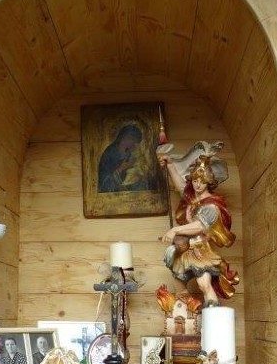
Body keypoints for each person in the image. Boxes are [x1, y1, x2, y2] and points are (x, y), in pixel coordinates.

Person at [158, 151, 239, 306]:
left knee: (204, 284)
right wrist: (170, 165)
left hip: (201, 250)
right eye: (195, 180)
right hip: (186, 248)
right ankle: (186, 311)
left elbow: (199, 226)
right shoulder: (193, 197)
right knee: (178, 279)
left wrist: (175, 230)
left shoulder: (212, 205)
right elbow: (181, 186)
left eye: (202, 181)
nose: (197, 185)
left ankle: (213, 313)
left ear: (209, 182)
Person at [98, 123, 153, 192]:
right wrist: (121, 168)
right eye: (133, 141)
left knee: (142, 184)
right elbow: (104, 184)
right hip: (112, 191)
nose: (135, 145)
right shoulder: (109, 154)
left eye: (136, 143)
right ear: (125, 138)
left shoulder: (129, 154)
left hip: (128, 188)